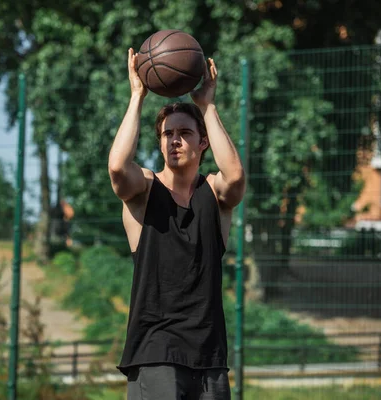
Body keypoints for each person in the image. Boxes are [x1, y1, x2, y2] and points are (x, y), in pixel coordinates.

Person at [107, 48, 246, 399]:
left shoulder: (213, 194)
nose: (175, 140)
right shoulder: (144, 190)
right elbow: (116, 167)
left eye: (184, 133)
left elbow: (236, 177)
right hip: (156, 352)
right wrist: (137, 96)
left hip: (210, 356)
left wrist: (207, 106)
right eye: (168, 134)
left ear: (203, 143)